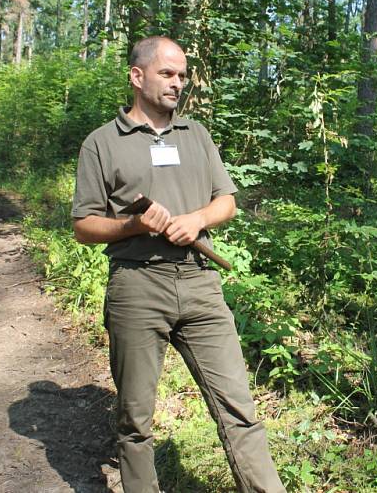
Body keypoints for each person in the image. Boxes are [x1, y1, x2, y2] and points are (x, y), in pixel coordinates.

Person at [71, 36, 286, 493]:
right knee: (135, 419)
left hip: (201, 284)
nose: (177, 83)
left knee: (238, 409)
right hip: (136, 287)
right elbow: (84, 227)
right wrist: (132, 224)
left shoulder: (197, 136)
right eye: (167, 73)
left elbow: (226, 202)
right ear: (137, 76)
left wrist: (196, 219)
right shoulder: (102, 144)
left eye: (182, 75)